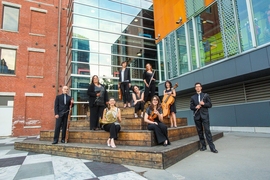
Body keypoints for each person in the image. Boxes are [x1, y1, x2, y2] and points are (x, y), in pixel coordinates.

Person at [190, 82, 218, 153]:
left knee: (207, 131)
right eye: (196, 87)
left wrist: (203, 104)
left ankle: (212, 148)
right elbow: (191, 107)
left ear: (201, 87)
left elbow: (210, 104)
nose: (198, 88)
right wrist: (195, 107)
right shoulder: (193, 97)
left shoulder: (206, 95)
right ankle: (203, 146)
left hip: (205, 116)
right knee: (200, 131)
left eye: (199, 86)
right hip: (197, 116)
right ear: (195, 88)